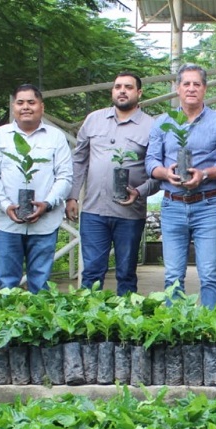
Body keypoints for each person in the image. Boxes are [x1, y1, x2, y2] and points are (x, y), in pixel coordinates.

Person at [147, 64, 216, 307]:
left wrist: (204, 174)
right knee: (173, 275)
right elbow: (151, 161)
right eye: (186, 83)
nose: (191, 88)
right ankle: (175, 330)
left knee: (208, 274)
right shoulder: (163, 122)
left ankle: (208, 329)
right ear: (177, 88)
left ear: (205, 89)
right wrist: (165, 173)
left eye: (197, 84)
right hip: (173, 205)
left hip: (208, 204)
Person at [68, 71, 156, 294]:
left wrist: (140, 191)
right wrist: (72, 196)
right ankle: (89, 322)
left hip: (129, 214)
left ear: (139, 92)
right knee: (91, 272)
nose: (122, 91)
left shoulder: (152, 126)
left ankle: (125, 323)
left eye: (128, 87)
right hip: (93, 211)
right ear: (113, 91)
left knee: (126, 272)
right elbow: (79, 160)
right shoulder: (94, 119)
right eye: (118, 87)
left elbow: (157, 173)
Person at [0, 84, 73, 293]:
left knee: (40, 284)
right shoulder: (0, 135)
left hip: (45, 223)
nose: (26, 107)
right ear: (14, 106)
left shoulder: (56, 137)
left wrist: (48, 204)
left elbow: (65, 176)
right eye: (20, 102)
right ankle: (8, 321)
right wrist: (5, 206)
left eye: (31, 102)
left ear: (41, 106)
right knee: (6, 283)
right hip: (8, 223)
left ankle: (38, 323)